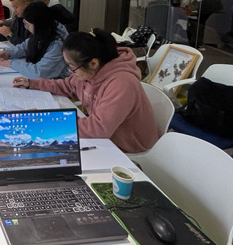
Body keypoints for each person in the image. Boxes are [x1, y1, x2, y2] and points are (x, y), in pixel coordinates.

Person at [12, 28, 159, 154]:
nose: (70, 71)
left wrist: (49, 120)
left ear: (93, 63)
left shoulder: (122, 83)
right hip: (106, 138)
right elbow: (66, 86)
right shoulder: (90, 71)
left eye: (71, 66)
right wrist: (32, 83)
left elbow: (98, 129)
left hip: (127, 150)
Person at [0, 1, 70, 80]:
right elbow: (25, 46)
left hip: (58, 83)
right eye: (25, 23)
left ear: (38, 25)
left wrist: (13, 63)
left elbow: (39, 73)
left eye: (28, 24)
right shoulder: (43, 33)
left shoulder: (58, 44)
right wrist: (9, 53)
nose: (27, 28)